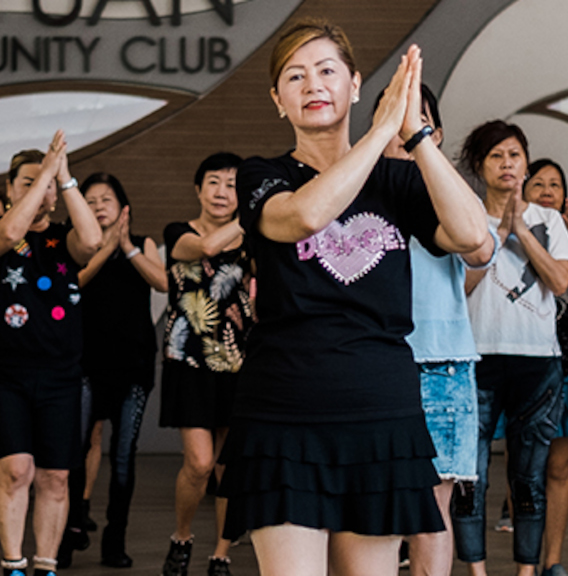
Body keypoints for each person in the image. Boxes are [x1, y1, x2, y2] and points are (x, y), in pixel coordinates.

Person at [221, 18, 490, 576]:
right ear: (278, 100)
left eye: (326, 71)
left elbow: (473, 238)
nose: (312, 85)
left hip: (380, 415)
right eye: (295, 77)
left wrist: (414, 136)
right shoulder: (262, 175)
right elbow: (304, 216)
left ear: (356, 85)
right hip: (283, 413)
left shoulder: (397, 182)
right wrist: (379, 132)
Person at [0, 136, 101, 576]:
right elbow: (7, 234)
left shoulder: (65, 240)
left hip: (61, 376)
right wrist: (46, 170)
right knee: (17, 468)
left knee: (56, 477)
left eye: (46, 186)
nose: (39, 191)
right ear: (8, 189)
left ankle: (45, 566)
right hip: (0, 374)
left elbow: (94, 240)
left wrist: (63, 177)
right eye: (27, 183)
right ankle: (13, 564)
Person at [376, 85, 497, 576]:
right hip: (377, 363)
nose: (404, 128)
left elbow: (478, 250)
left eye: (416, 120)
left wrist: (420, 147)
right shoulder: (359, 190)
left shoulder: (448, 197)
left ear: (434, 132)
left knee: (431, 511)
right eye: (394, 117)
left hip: (442, 362)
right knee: (376, 509)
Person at [450, 121, 568, 576]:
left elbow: (560, 283)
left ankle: (525, 571)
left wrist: (521, 228)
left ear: (525, 162)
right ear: (481, 166)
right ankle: (476, 571)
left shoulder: (550, 221)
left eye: (514, 155)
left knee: (529, 478)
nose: (507, 164)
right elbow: (459, 289)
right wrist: (497, 235)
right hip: (476, 357)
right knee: (470, 477)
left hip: (538, 362)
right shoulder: (465, 219)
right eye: (496, 156)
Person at [158, 153, 254, 576]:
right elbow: (208, 248)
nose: (221, 192)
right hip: (190, 363)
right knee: (198, 464)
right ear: (198, 189)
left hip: (241, 363)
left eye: (233, 185)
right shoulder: (179, 232)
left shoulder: (254, 241)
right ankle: (182, 537)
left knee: (229, 468)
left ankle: (221, 552)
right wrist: (256, 208)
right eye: (213, 182)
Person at [74, 172, 167, 568]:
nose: (98, 206)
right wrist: (104, 249)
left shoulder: (143, 241)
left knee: (125, 456)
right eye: (90, 200)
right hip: (85, 363)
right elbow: (73, 286)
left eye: (106, 199)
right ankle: (69, 530)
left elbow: (162, 283)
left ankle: (116, 539)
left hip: (132, 365)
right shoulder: (76, 246)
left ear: (123, 207)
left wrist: (126, 247)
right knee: (76, 451)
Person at [525, 158, 568, 576]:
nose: (546, 191)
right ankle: (525, 560)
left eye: (555, 184)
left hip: (565, 369)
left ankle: (551, 562)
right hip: (528, 366)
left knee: (558, 469)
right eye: (537, 183)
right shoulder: (512, 238)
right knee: (526, 471)